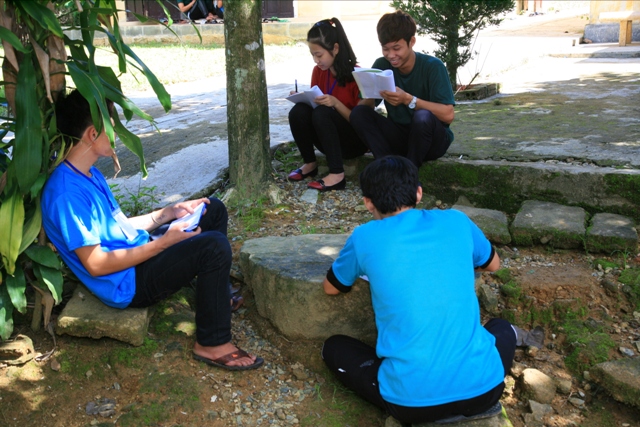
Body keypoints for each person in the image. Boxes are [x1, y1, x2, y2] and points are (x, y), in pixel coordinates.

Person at [42, 90, 263, 371]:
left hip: (136, 255)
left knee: (213, 209)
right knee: (214, 247)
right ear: (93, 133)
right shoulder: (66, 194)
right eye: (113, 127)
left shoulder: (87, 173)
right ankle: (212, 343)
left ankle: (214, 296)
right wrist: (162, 244)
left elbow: (118, 226)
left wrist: (167, 213)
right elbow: (96, 265)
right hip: (128, 284)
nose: (117, 134)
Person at [321, 156, 517, 424]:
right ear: (419, 193)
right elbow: (493, 264)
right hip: (484, 394)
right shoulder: (457, 221)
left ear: (368, 202)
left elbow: (331, 288)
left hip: (411, 405)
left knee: (333, 347)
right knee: (502, 328)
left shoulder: (364, 237)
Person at [350, 11, 455, 169]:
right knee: (358, 113)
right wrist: (370, 89)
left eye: (396, 48)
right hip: (399, 136)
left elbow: (448, 115)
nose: (391, 55)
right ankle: (386, 166)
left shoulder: (433, 66)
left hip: (431, 140)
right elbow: (366, 108)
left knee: (422, 117)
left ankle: (410, 172)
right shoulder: (382, 65)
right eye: (385, 49)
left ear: (411, 41)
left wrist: (408, 100)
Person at [287, 18, 368, 192]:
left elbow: (362, 123)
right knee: (298, 111)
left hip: (354, 141)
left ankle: (337, 175)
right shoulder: (318, 71)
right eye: (313, 55)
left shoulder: (357, 75)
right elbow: (314, 106)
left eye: (319, 55)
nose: (316, 60)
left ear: (335, 49)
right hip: (328, 138)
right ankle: (310, 163)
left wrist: (336, 103)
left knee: (322, 112)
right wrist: (302, 98)